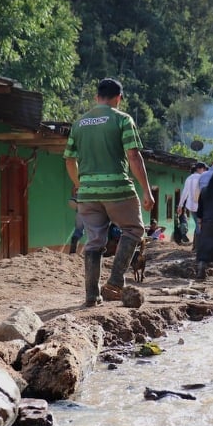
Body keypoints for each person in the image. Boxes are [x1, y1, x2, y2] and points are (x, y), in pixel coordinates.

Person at [64, 78, 155, 306]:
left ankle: (91, 296)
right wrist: (146, 190)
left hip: (87, 194)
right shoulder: (122, 119)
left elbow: (69, 160)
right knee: (134, 229)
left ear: (96, 98)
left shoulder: (79, 123)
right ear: (119, 98)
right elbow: (133, 156)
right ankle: (114, 283)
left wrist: (80, 183)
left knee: (94, 242)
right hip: (118, 190)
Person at [177, 161, 206, 248]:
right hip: (200, 206)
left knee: (197, 224)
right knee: (200, 225)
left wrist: (180, 205)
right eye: (204, 169)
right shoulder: (202, 178)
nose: (204, 171)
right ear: (199, 169)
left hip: (191, 206)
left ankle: (195, 245)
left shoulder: (189, 178)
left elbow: (184, 193)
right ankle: (198, 246)